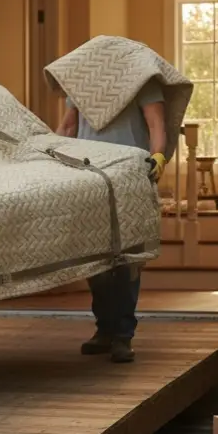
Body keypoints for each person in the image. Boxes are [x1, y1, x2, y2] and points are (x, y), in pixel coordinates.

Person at [58, 79, 167, 363]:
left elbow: (155, 123)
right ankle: (104, 330)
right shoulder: (81, 81)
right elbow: (68, 126)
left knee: (128, 257)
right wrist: (51, 161)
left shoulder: (142, 79)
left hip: (130, 173)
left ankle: (123, 335)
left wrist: (158, 156)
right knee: (96, 255)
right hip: (88, 173)